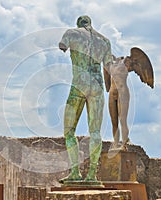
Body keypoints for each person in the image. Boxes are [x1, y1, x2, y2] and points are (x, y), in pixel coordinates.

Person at [59, 15, 112, 183]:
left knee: (68, 131)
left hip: (79, 84)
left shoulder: (71, 33)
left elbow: (62, 46)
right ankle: (92, 175)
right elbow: (109, 65)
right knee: (95, 132)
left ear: (78, 23)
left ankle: (75, 172)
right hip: (97, 85)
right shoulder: (104, 41)